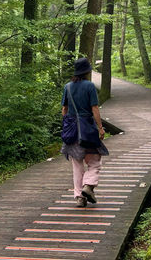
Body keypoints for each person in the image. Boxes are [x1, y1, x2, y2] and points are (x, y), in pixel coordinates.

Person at [61, 57, 109, 207]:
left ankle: (79, 198)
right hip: (87, 129)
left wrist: (67, 125)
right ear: (87, 71)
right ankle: (88, 186)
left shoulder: (67, 87)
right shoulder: (89, 86)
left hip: (72, 131)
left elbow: (64, 110)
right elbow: (94, 108)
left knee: (77, 165)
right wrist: (100, 127)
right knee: (94, 161)